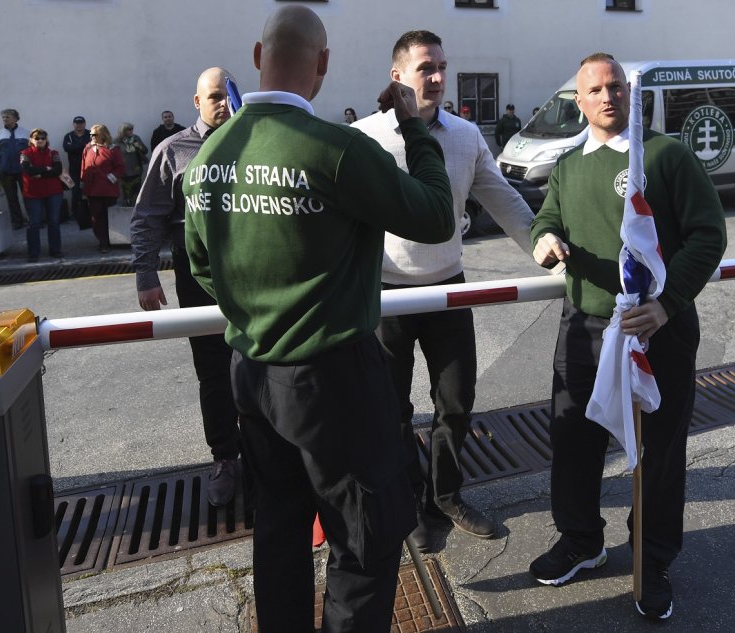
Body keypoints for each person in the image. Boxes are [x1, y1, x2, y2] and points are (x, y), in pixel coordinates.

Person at [181, 6, 454, 632]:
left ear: (257, 56)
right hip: (334, 380)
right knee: (363, 538)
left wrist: (259, 311)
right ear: (324, 63)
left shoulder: (209, 155)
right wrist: (414, 129)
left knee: (279, 531)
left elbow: (201, 267)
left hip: (252, 374)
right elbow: (437, 216)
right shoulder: (338, 150)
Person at [528, 53, 726, 621]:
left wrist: (666, 304)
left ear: (630, 93)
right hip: (586, 326)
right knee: (574, 439)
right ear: (579, 102)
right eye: (594, 90)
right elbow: (548, 218)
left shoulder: (665, 155)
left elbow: (708, 235)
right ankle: (581, 540)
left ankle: (652, 558)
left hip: (657, 326)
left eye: (615, 86)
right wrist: (544, 240)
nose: (607, 96)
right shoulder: (568, 165)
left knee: (658, 451)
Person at [353, 29, 535, 551]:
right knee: (391, 410)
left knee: (455, 401)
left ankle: (445, 497)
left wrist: (544, 246)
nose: (436, 77)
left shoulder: (464, 135)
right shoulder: (365, 138)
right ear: (397, 76)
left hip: (449, 289)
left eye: (441, 67)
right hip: (386, 295)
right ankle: (411, 501)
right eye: (425, 68)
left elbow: (502, 198)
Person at [131, 67, 241, 507]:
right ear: (197, 102)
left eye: (228, 95)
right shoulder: (173, 151)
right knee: (214, 372)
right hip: (197, 275)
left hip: (252, 271)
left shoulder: (252, 142)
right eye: (213, 97)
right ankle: (225, 457)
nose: (223, 104)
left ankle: (264, 452)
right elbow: (147, 218)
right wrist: (146, 275)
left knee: (263, 365)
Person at [20, 129, 64, 261]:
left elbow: (58, 170)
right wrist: (46, 169)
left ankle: (55, 250)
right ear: (31, 140)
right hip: (33, 194)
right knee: (34, 223)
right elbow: (27, 170)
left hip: (54, 192)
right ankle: (33, 253)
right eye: (37, 138)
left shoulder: (54, 153)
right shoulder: (25, 153)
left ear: (46, 139)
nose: (40, 140)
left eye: (42, 138)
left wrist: (40, 174)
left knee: (54, 222)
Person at [81, 123, 124, 252]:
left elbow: (120, 168)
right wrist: (83, 185)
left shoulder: (112, 149)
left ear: (102, 135)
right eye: (91, 134)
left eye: (95, 134)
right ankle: (102, 241)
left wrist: (109, 178)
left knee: (108, 217)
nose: (92, 137)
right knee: (96, 217)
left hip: (108, 190)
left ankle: (111, 241)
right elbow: (83, 167)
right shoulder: (88, 148)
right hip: (92, 190)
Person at [0, 108, 31, 229]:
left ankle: (33, 219)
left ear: (15, 119)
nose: (5, 119)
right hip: (5, 171)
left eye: (8, 117)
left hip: (23, 170)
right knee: (11, 198)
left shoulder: (26, 133)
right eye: (3, 117)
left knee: (28, 196)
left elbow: (32, 151)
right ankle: (17, 221)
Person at [63, 116, 91, 224]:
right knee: (75, 192)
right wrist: (84, 146)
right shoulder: (69, 136)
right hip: (74, 170)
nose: (79, 125)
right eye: (77, 123)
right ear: (73, 124)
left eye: (81, 123)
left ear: (84, 124)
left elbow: (94, 147)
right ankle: (75, 214)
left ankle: (90, 213)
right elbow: (67, 148)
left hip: (90, 168)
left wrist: (75, 147)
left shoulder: (91, 134)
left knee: (90, 191)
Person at [115, 123, 148, 205]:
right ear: (123, 131)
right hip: (124, 170)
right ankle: (126, 203)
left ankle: (136, 204)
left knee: (137, 188)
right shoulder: (117, 141)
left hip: (136, 169)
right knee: (126, 190)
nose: (131, 131)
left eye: (131, 129)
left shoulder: (136, 138)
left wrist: (139, 146)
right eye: (128, 129)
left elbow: (145, 150)